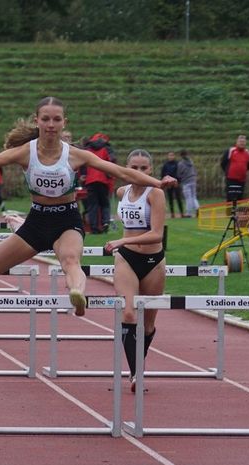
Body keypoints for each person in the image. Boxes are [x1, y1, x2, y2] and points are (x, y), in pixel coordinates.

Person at [0, 96, 176, 316]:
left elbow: (121, 172)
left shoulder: (75, 155)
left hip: (67, 221)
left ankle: (77, 294)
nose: (51, 125)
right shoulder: (25, 152)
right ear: (37, 120)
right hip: (36, 223)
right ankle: (16, 232)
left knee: (71, 261)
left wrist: (157, 182)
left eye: (57, 119)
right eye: (46, 119)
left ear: (64, 123)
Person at [104, 149, 167, 392]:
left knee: (148, 325)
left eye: (143, 168)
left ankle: (137, 367)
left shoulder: (156, 194)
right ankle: (135, 375)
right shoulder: (122, 192)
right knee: (128, 314)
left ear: (151, 170)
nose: (139, 172)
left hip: (153, 261)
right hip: (126, 259)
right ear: (126, 168)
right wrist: (124, 245)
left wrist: (123, 240)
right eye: (134, 167)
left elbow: (157, 234)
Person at [80, 132, 114, 234]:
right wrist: (109, 176)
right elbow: (112, 160)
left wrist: (83, 174)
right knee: (105, 204)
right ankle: (105, 222)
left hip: (90, 180)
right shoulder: (106, 148)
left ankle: (94, 228)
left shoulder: (87, 148)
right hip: (103, 180)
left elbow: (82, 162)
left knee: (92, 205)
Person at [221, 134, 249, 201]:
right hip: (231, 179)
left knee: (239, 199)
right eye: (240, 141)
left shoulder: (248, 153)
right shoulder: (231, 151)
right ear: (237, 142)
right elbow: (223, 163)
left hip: (241, 180)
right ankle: (230, 208)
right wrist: (227, 172)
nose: (242, 143)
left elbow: (248, 166)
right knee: (231, 198)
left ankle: (237, 208)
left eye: (243, 142)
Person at [160, 151, 184, 218]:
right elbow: (163, 174)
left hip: (176, 183)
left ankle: (182, 213)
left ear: (174, 156)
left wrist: (178, 182)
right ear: (168, 156)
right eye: (170, 155)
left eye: (172, 155)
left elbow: (180, 173)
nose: (171, 157)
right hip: (168, 184)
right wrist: (164, 183)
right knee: (170, 199)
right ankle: (172, 213)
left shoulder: (177, 164)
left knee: (178, 198)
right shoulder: (165, 165)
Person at [178, 149, 199, 218]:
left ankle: (189, 213)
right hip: (193, 180)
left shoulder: (181, 164)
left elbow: (179, 174)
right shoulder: (191, 162)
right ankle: (197, 208)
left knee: (188, 198)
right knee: (193, 196)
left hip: (186, 182)